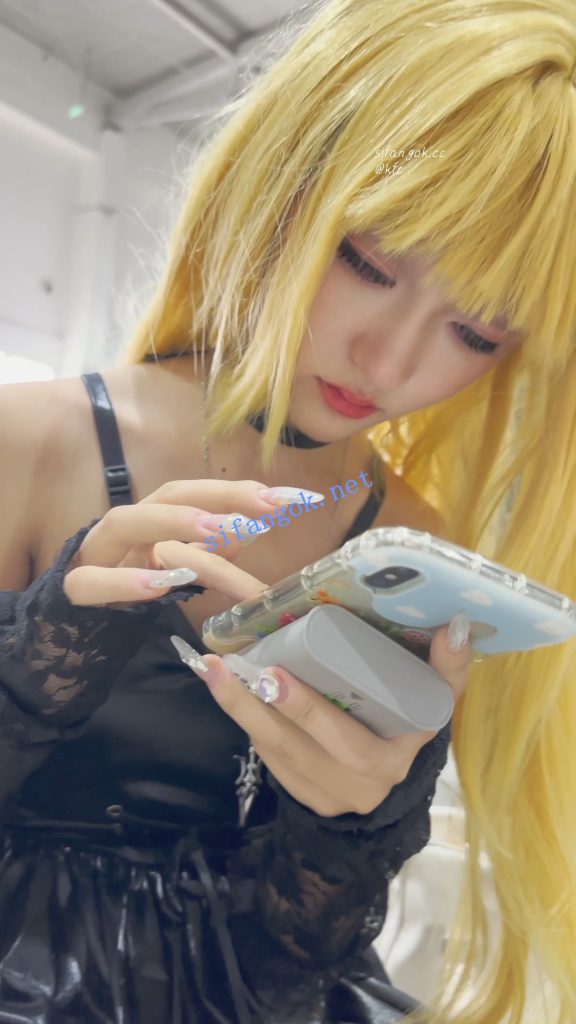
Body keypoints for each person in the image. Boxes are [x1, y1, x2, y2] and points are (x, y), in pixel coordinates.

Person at [1, 0, 575, 1020]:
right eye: (370, 262)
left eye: (478, 333)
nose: (390, 364)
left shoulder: (416, 542)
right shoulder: (30, 442)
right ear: (278, 185)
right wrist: (33, 676)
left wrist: (347, 832)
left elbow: (295, 955)